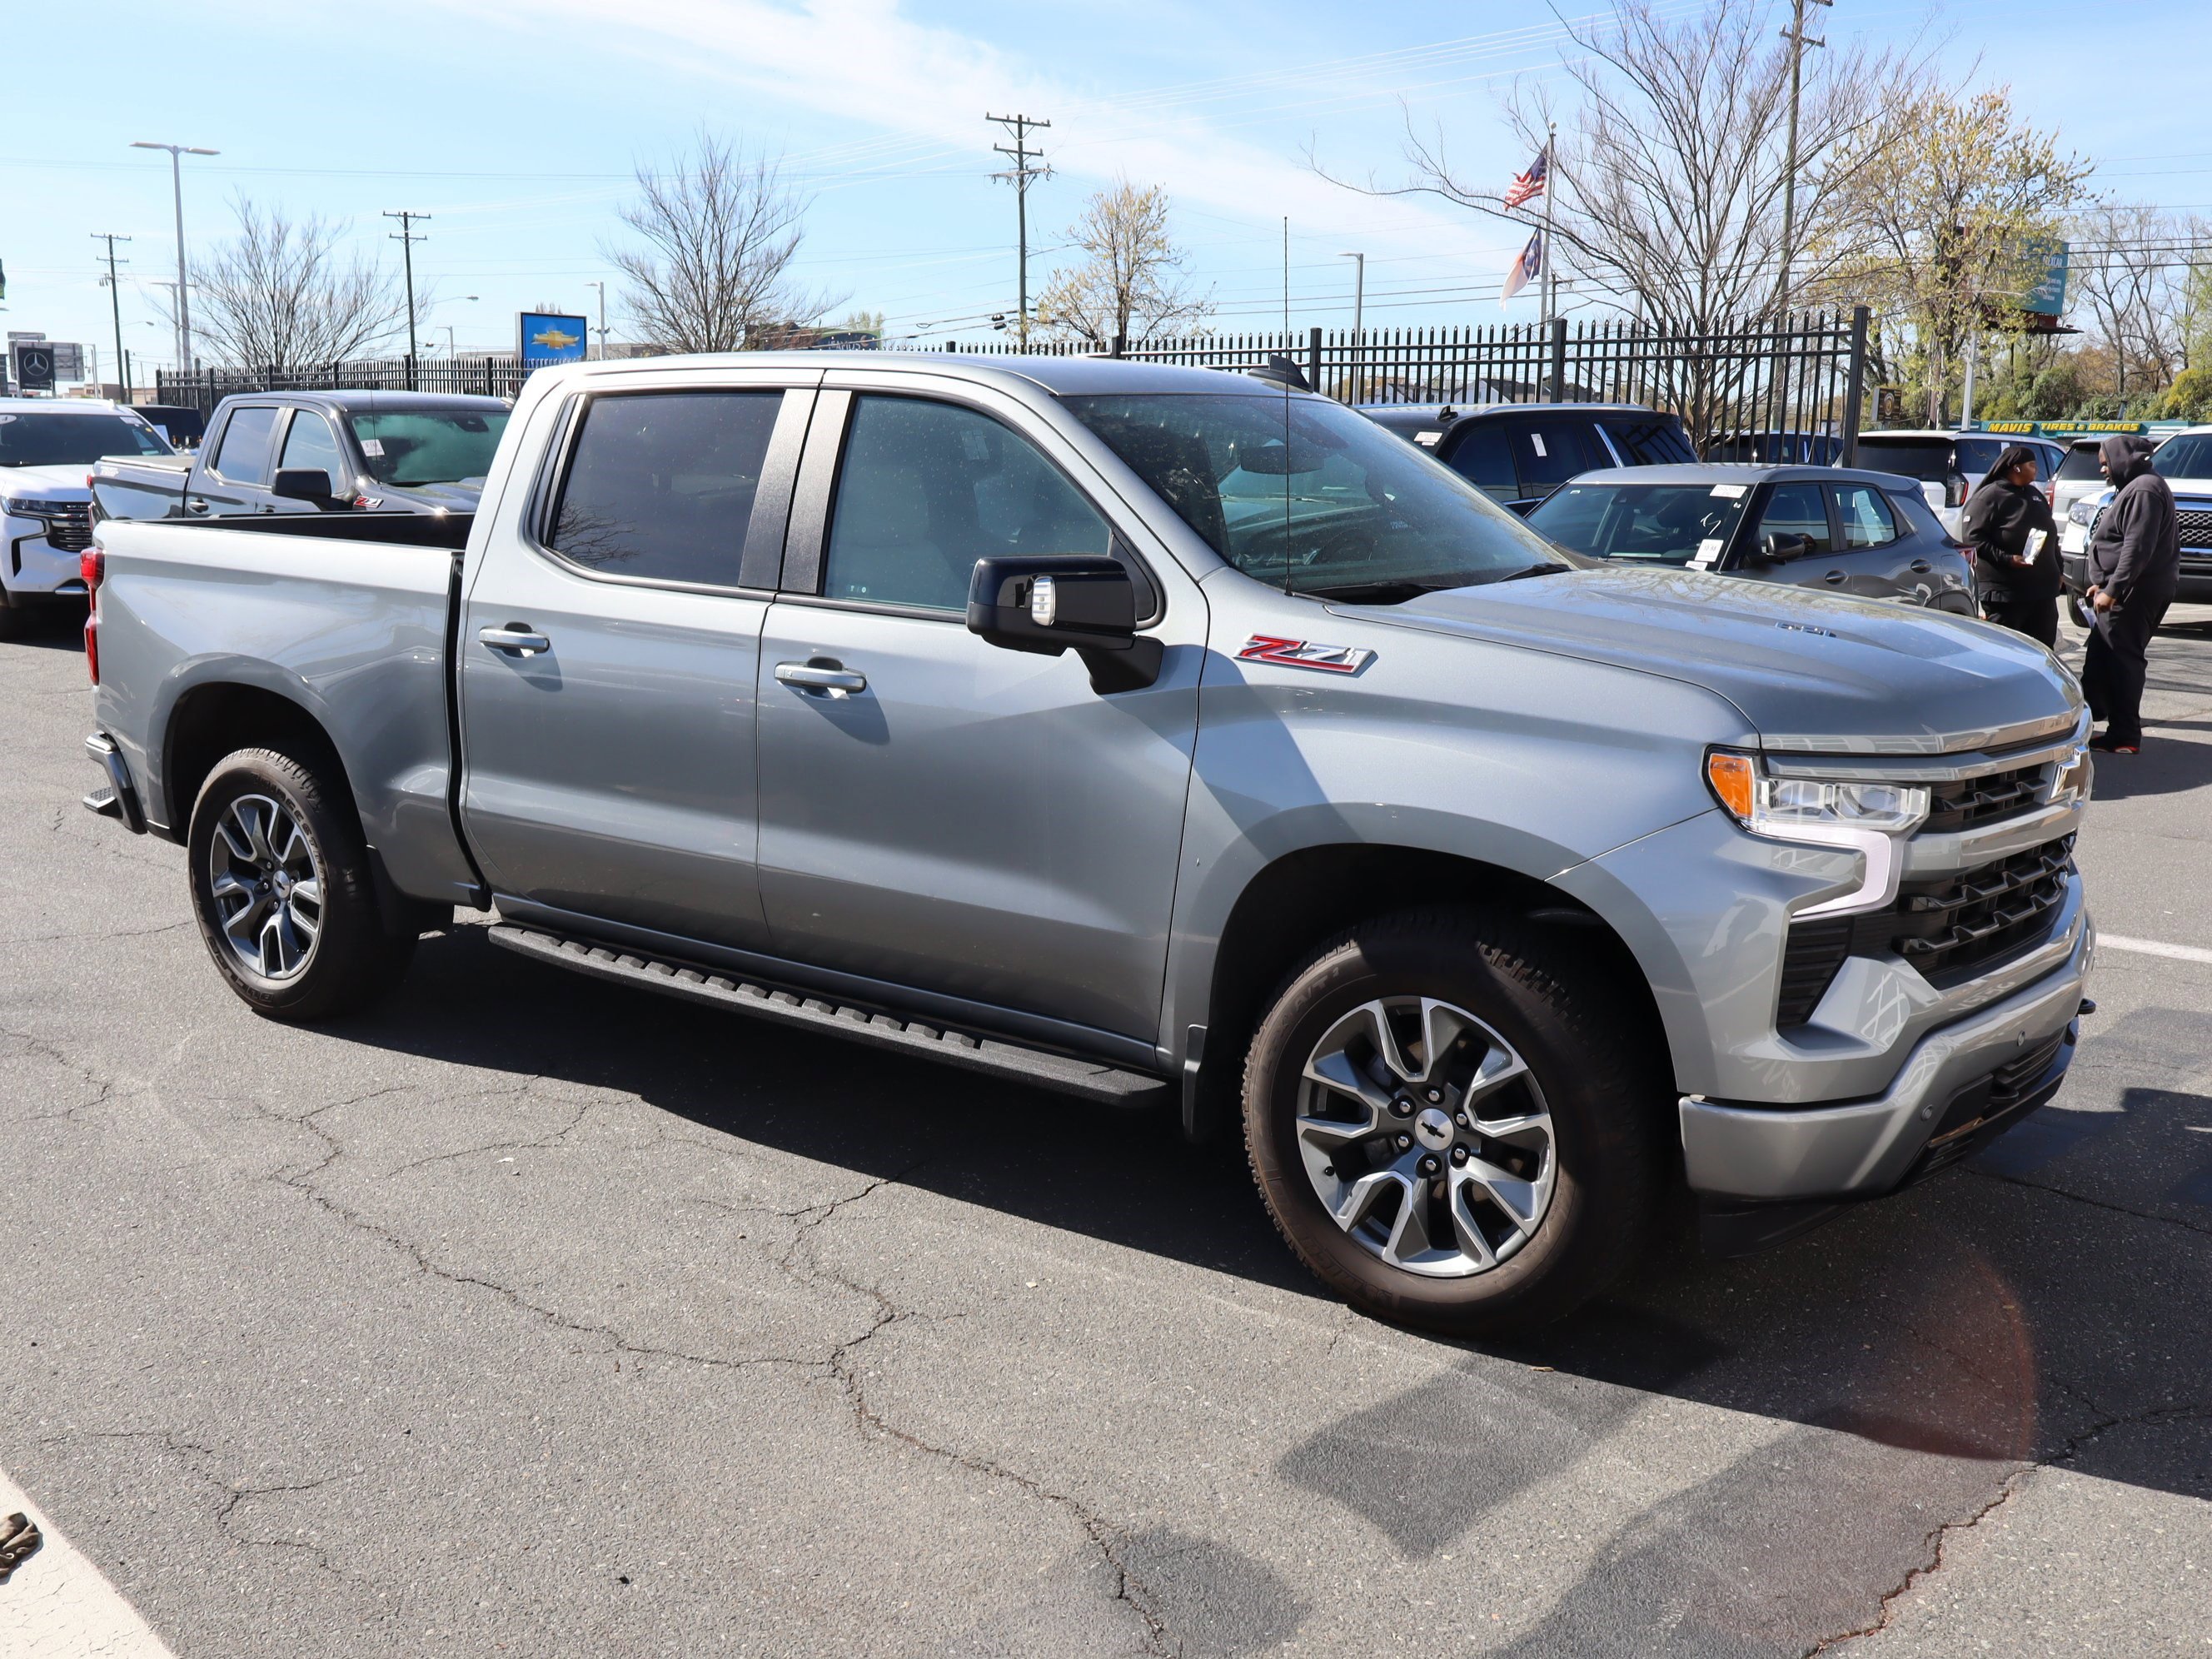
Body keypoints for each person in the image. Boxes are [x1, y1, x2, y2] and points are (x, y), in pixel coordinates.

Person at [2081, 434, 2182, 754]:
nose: (2103, 470)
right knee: (2101, 657)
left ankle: (2125, 735)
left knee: (2122, 661)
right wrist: (2104, 583)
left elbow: (2138, 548)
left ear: (2123, 459)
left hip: (2134, 593)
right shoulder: (2139, 487)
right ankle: (2095, 719)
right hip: (2126, 589)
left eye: (2105, 464)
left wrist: (2114, 590)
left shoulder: (2144, 490)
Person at [1963, 445, 2060, 646]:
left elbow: (2051, 535)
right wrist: (2007, 559)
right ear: (2016, 468)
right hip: (2006, 595)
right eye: (2032, 465)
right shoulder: (1989, 496)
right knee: (2007, 651)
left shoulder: (2035, 495)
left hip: (2042, 593)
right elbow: (1973, 538)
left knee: (2043, 650)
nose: (2036, 470)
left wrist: (2059, 570)